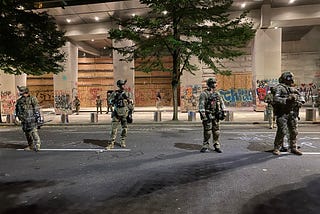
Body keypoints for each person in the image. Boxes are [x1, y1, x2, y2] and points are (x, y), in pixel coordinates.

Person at [272, 72, 305, 156]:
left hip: (292, 113)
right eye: (289, 78)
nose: (291, 80)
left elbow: (300, 96)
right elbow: (276, 99)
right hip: (282, 113)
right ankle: (277, 147)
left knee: (294, 131)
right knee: (282, 131)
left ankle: (293, 147)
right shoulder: (279, 88)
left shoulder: (292, 89)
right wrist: (287, 100)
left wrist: (300, 101)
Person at [199, 77, 226, 153]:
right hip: (208, 114)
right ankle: (205, 144)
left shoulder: (217, 94)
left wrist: (224, 111)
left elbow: (221, 103)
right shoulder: (204, 94)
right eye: (213, 83)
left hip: (216, 115)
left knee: (216, 131)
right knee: (207, 131)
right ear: (209, 84)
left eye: (215, 83)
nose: (214, 84)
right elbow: (201, 105)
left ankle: (216, 144)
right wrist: (203, 115)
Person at [106, 80, 134, 149]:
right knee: (113, 129)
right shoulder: (114, 93)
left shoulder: (127, 94)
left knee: (124, 128)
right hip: (116, 113)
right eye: (122, 85)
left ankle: (122, 141)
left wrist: (130, 112)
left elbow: (131, 103)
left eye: (124, 85)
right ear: (119, 86)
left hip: (125, 113)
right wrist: (114, 100)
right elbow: (110, 102)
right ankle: (111, 143)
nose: (123, 86)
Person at [15, 86, 42, 151]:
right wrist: (16, 117)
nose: (20, 92)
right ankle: (31, 145)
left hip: (31, 118)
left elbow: (36, 109)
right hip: (24, 119)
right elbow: (17, 110)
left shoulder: (32, 99)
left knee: (33, 132)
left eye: (21, 91)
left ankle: (37, 145)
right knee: (27, 133)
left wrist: (38, 118)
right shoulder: (19, 100)